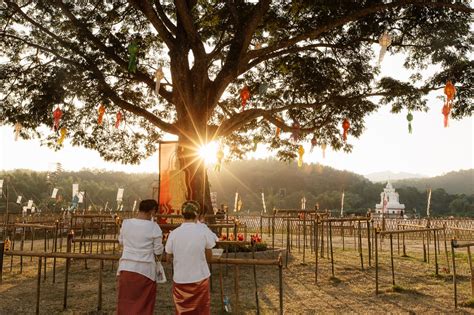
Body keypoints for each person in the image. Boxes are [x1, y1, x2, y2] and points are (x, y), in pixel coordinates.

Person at [165, 201, 216, 314]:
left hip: (180, 278)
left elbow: (168, 257)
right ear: (197, 215)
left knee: (182, 311)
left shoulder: (174, 233)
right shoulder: (203, 231)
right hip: (200, 277)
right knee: (201, 310)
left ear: (182, 215)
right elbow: (209, 257)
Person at [116, 199, 163, 315]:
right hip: (145, 269)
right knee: (144, 305)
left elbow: (121, 241)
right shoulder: (154, 227)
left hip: (126, 267)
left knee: (125, 302)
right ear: (152, 210)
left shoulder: (126, 223)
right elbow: (158, 251)